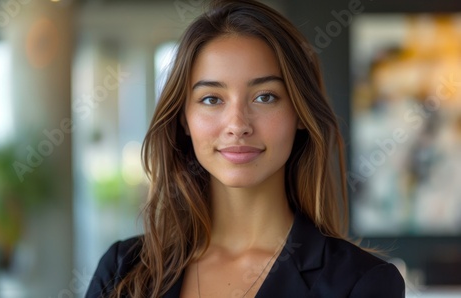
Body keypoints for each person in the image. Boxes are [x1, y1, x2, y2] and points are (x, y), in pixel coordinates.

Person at [86, 0, 406, 297]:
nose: (238, 125)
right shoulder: (123, 271)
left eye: (264, 96)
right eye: (212, 99)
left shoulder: (361, 282)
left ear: (299, 113)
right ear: (183, 120)